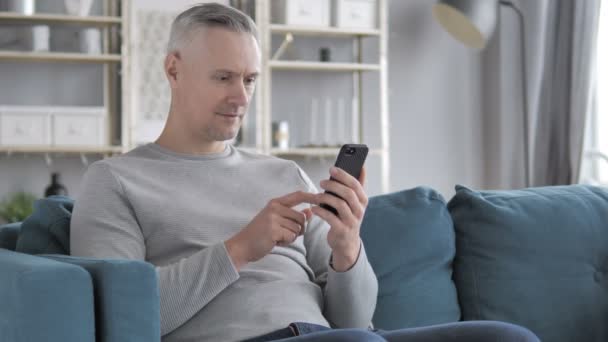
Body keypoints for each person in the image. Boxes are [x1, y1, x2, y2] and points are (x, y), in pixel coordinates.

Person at [70, 3, 539, 342]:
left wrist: (346, 250)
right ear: (174, 69)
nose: (241, 97)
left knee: (506, 337)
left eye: (250, 79)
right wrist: (239, 249)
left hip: (338, 337)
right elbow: (122, 319)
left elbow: (354, 321)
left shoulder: (285, 174)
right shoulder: (114, 181)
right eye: (223, 77)